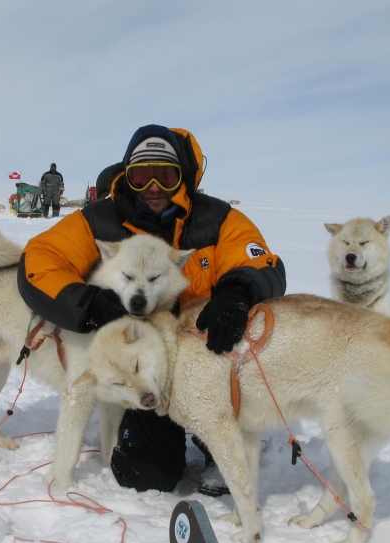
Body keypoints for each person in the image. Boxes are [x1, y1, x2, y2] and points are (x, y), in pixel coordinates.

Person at [18, 125, 285, 493]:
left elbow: (259, 261)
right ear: (127, 176)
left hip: (203, 355)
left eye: (165, 175)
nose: (153, 186)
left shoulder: (217, 219)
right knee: (146, 475)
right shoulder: (99, 219)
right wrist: (88, 303)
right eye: (141, 176)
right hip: (143, 366)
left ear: (182, 179)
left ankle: (223, 439)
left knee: (237, 364)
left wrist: (238, 292)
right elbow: (40, 259)